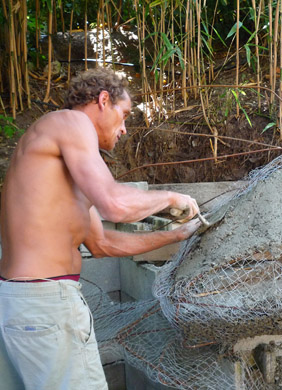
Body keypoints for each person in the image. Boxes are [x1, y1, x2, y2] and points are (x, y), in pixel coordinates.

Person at [0, 67, 201, 389]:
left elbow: (103, 243)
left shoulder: (67, 167)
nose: (124, 129)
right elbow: (114, 204)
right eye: (123, 115)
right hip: (45, 299)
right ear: (103, 100)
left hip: (32, 302)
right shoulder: (70, 121)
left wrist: (177, 235)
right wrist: (172, 197)